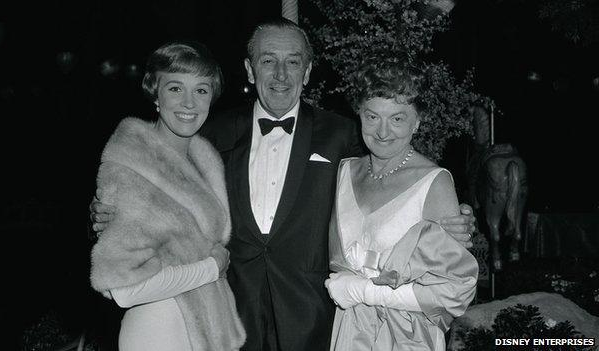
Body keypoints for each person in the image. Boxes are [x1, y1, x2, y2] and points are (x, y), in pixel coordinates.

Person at [92, 18, 476, 351]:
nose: (280, 75)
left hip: (316, 317)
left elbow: (396, 165)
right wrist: (104, 210)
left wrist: (453, 216)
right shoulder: (210, 133)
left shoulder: (344, 134)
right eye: (267, 61)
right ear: (249, 68)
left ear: (307, 72)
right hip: (230, 314)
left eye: (293, 62)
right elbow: (155, 178)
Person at [89, 42, 246, 351]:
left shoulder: (205, 162)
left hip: (204, 334)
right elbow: (125, 288)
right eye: (176, 88)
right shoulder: (129, 168)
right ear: (155, 93)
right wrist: (210, 269)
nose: (189, 102)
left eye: (201, 90)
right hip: (158, 334)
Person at [324, 61, 478, 350]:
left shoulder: (434, 181)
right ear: (359, 113)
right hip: (349, 332)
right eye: (372, 117)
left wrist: (365, 292)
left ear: (417, 121)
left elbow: (455, 290)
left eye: (397, 119)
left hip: (407, 336)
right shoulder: (345, 172)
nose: (382, 132)